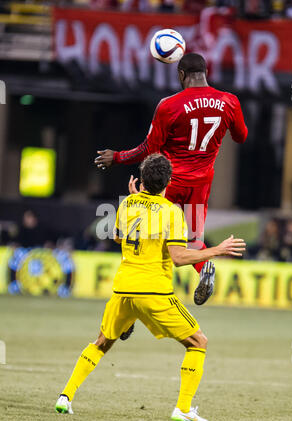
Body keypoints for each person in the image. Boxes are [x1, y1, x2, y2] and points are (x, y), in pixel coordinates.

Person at [56, 154, 246, 421]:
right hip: (154, 291)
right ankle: (182, 408)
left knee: (101, 342)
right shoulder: (172, 212)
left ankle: (65, 396)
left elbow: (119, 236)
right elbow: (179, 257)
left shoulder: (126, 204)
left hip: (123, 290)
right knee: (197, 342)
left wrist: (136, 201)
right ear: (168, 181)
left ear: (142, 180)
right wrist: (217, 250)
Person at [95, 52, 248, 307]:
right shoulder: (229, 101)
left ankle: (129, 300)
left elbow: (150, 149)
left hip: (168, 182)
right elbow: (241, 136)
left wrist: (119, 157)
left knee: (145, 239)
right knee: (192, 241)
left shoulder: (169, 105)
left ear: (181, 75)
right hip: (202, 182)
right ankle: (203, 267)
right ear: (206, 73)